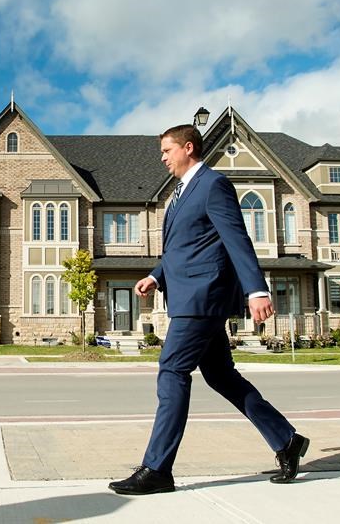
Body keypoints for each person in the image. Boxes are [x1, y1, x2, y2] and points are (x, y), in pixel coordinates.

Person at [109, 124, 309, 496]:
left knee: (172, 370)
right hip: (190, 295)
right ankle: (286, 440)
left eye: (167, 150)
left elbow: (236, 238)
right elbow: (184, 247)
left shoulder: (213, 185)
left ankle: (157, 469)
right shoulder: (181, 192)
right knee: (221, 376)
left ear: (188, 147)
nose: (162, 158)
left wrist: (256, 289)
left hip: (203, 296)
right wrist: (155, 275)